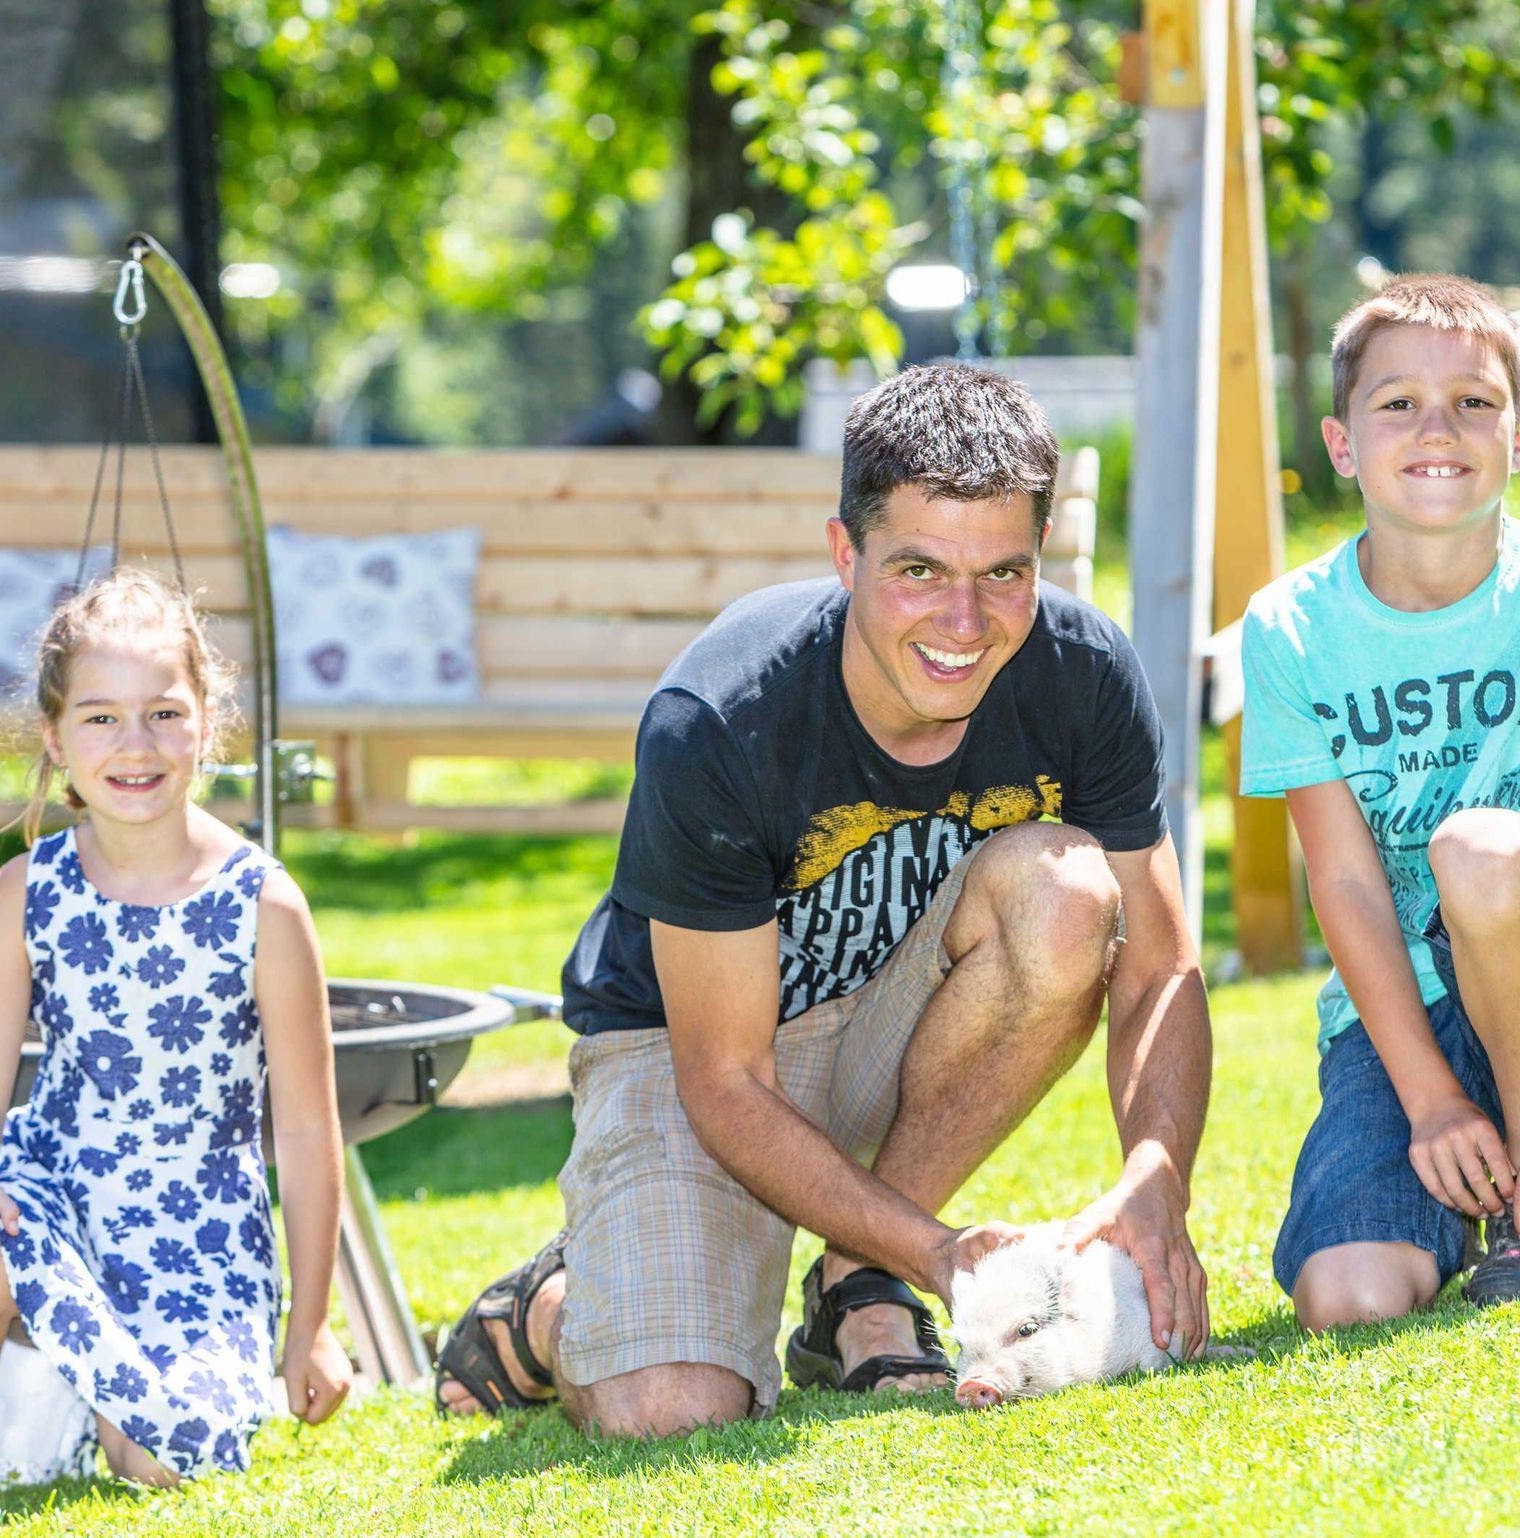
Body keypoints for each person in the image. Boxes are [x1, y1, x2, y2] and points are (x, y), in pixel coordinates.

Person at [436, 363, 1213, 1435]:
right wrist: (941, 1250)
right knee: (671, 1408)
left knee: (1068, 895)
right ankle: (553, 1305)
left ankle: (857, 1281)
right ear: (845, 554)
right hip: (695, 1051)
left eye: (1003, 572)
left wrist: (1157, 1171)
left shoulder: (1082, 671)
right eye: (917, 569)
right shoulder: (719, 715)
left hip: (899, 1022)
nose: (963, 619)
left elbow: (1161, 962)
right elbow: (725, 1079)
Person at [0, 571, 350, 1518]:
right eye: (101, 718)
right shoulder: (24, 894)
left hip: (199, 1236)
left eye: (164, 714)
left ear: (207, 722)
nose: (136, 745)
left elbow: (307, 1131)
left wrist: (311, 1326)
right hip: (57, 1191)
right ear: (54, 737)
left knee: (167, 1458)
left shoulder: (265, 906)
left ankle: (61, 1380)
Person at [1239, 274, 1520, 1330]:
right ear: (1341, 444)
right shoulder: (1288, 627)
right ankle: (1466, 1180)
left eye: (1472, 402)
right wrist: (1429, 1098)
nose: (1437, 428)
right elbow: (1343, 879)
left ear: (1517, 437)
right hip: (1399, 1012)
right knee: (1347, 1299)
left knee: (1476, 847)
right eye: (1397, 403)